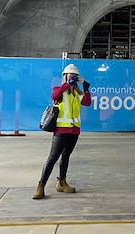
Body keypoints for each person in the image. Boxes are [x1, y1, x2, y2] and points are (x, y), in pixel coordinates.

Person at [33, 63, 92, 199]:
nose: (74, 78)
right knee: (53, 157)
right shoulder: (59, 89)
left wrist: (86, 89)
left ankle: (62, 182)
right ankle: (41, 185)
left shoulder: (77, 94)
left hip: (74, 130)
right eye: (71, 75)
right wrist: (67, 84)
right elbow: (55, 96)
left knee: (66, 156)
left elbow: (87, 102)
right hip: (61, 129)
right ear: (65, 76)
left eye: (76, 76)